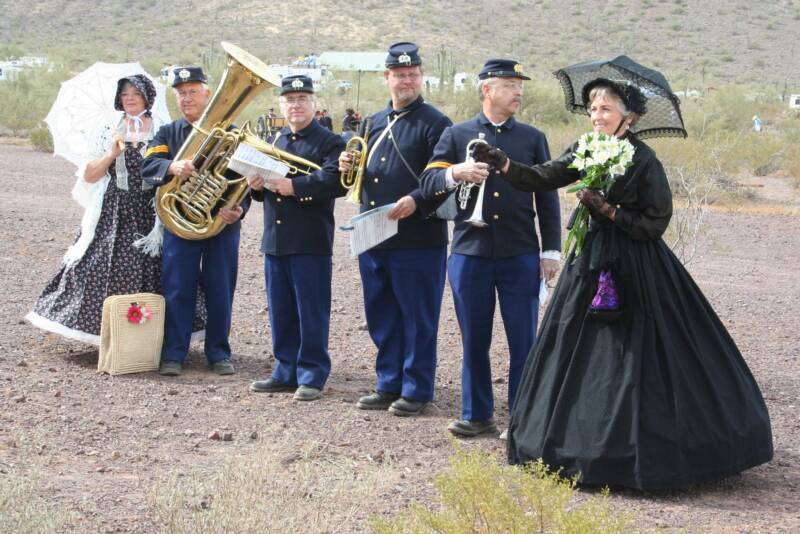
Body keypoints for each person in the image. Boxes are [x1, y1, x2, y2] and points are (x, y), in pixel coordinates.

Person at [486, 78, 773, 489]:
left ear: (629, 116)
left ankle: (638, 451)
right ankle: (561, 441)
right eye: (592, 109)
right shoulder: (587, 146)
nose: (595, 116)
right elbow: (542, 178)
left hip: (635, 267)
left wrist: (607, 209)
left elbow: (656, 223)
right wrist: (502, 163)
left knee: (637, 357)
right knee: (572, 349)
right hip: (589, 262)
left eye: (604, 109)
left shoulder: (644, 160)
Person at [419, 59, 561, 438]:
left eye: (520, 86)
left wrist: (551, 251)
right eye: (510, 85)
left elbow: (547, 197)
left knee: (523, 340)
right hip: (470, 253)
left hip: (519, 253)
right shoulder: (456, 133)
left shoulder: (532, 137)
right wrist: (456, 173)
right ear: (487, 89)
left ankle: (522, 419)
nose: (519, 92)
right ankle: (476, 413)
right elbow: (428, 181)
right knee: (474, 339)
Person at [26, 75, 205, 344]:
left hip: (152, 210)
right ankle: (108, 334)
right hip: (114, 209)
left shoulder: (163, 128)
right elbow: (89, 175)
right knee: (99, 266)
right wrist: (111, 153)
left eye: (135, 92)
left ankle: (153, 338)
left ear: (147, 96)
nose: (130, 97)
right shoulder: (109, 127)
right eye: (124, 94)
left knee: (159, 270)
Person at [338, 42, 452, 416]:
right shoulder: (372, 122)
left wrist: (418, 199)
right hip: (375, 233)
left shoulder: (436, 123)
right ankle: (389, 383)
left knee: (417, 316)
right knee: (381, 312)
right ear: (386, 78)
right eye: (399, 75)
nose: (407, 80)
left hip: (418, 237)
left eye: (413, 74)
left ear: (420, 77)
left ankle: (417, 389)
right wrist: (347, 164)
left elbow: (444, 178)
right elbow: (354, 179)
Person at [142, 66, 246, 377]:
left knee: (220, 288)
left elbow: (243, 178)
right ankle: (174, 353)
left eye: (192, 92)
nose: (187, 98)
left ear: (207, 95)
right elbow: (149, 165)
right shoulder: (167, 133)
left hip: (220, 224)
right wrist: (172, 167)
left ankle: (218, 352)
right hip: (180, 222)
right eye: (181, 94)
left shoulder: (231, 132)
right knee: (178, 288)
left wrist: (238, 208)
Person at [248, 75, 346, 401]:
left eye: (303, 98)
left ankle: (312, 374)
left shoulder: (330, 141)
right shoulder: (275, 141)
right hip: (275, 239)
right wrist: (257, 187)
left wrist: (296, 187)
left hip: (310, 240)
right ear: (281, 105)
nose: (296, 104)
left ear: (314, 104)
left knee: (311, 311)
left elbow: (336, 182)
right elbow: (266, 192)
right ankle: (284, 370)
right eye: (290, 99)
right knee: (281, 310)